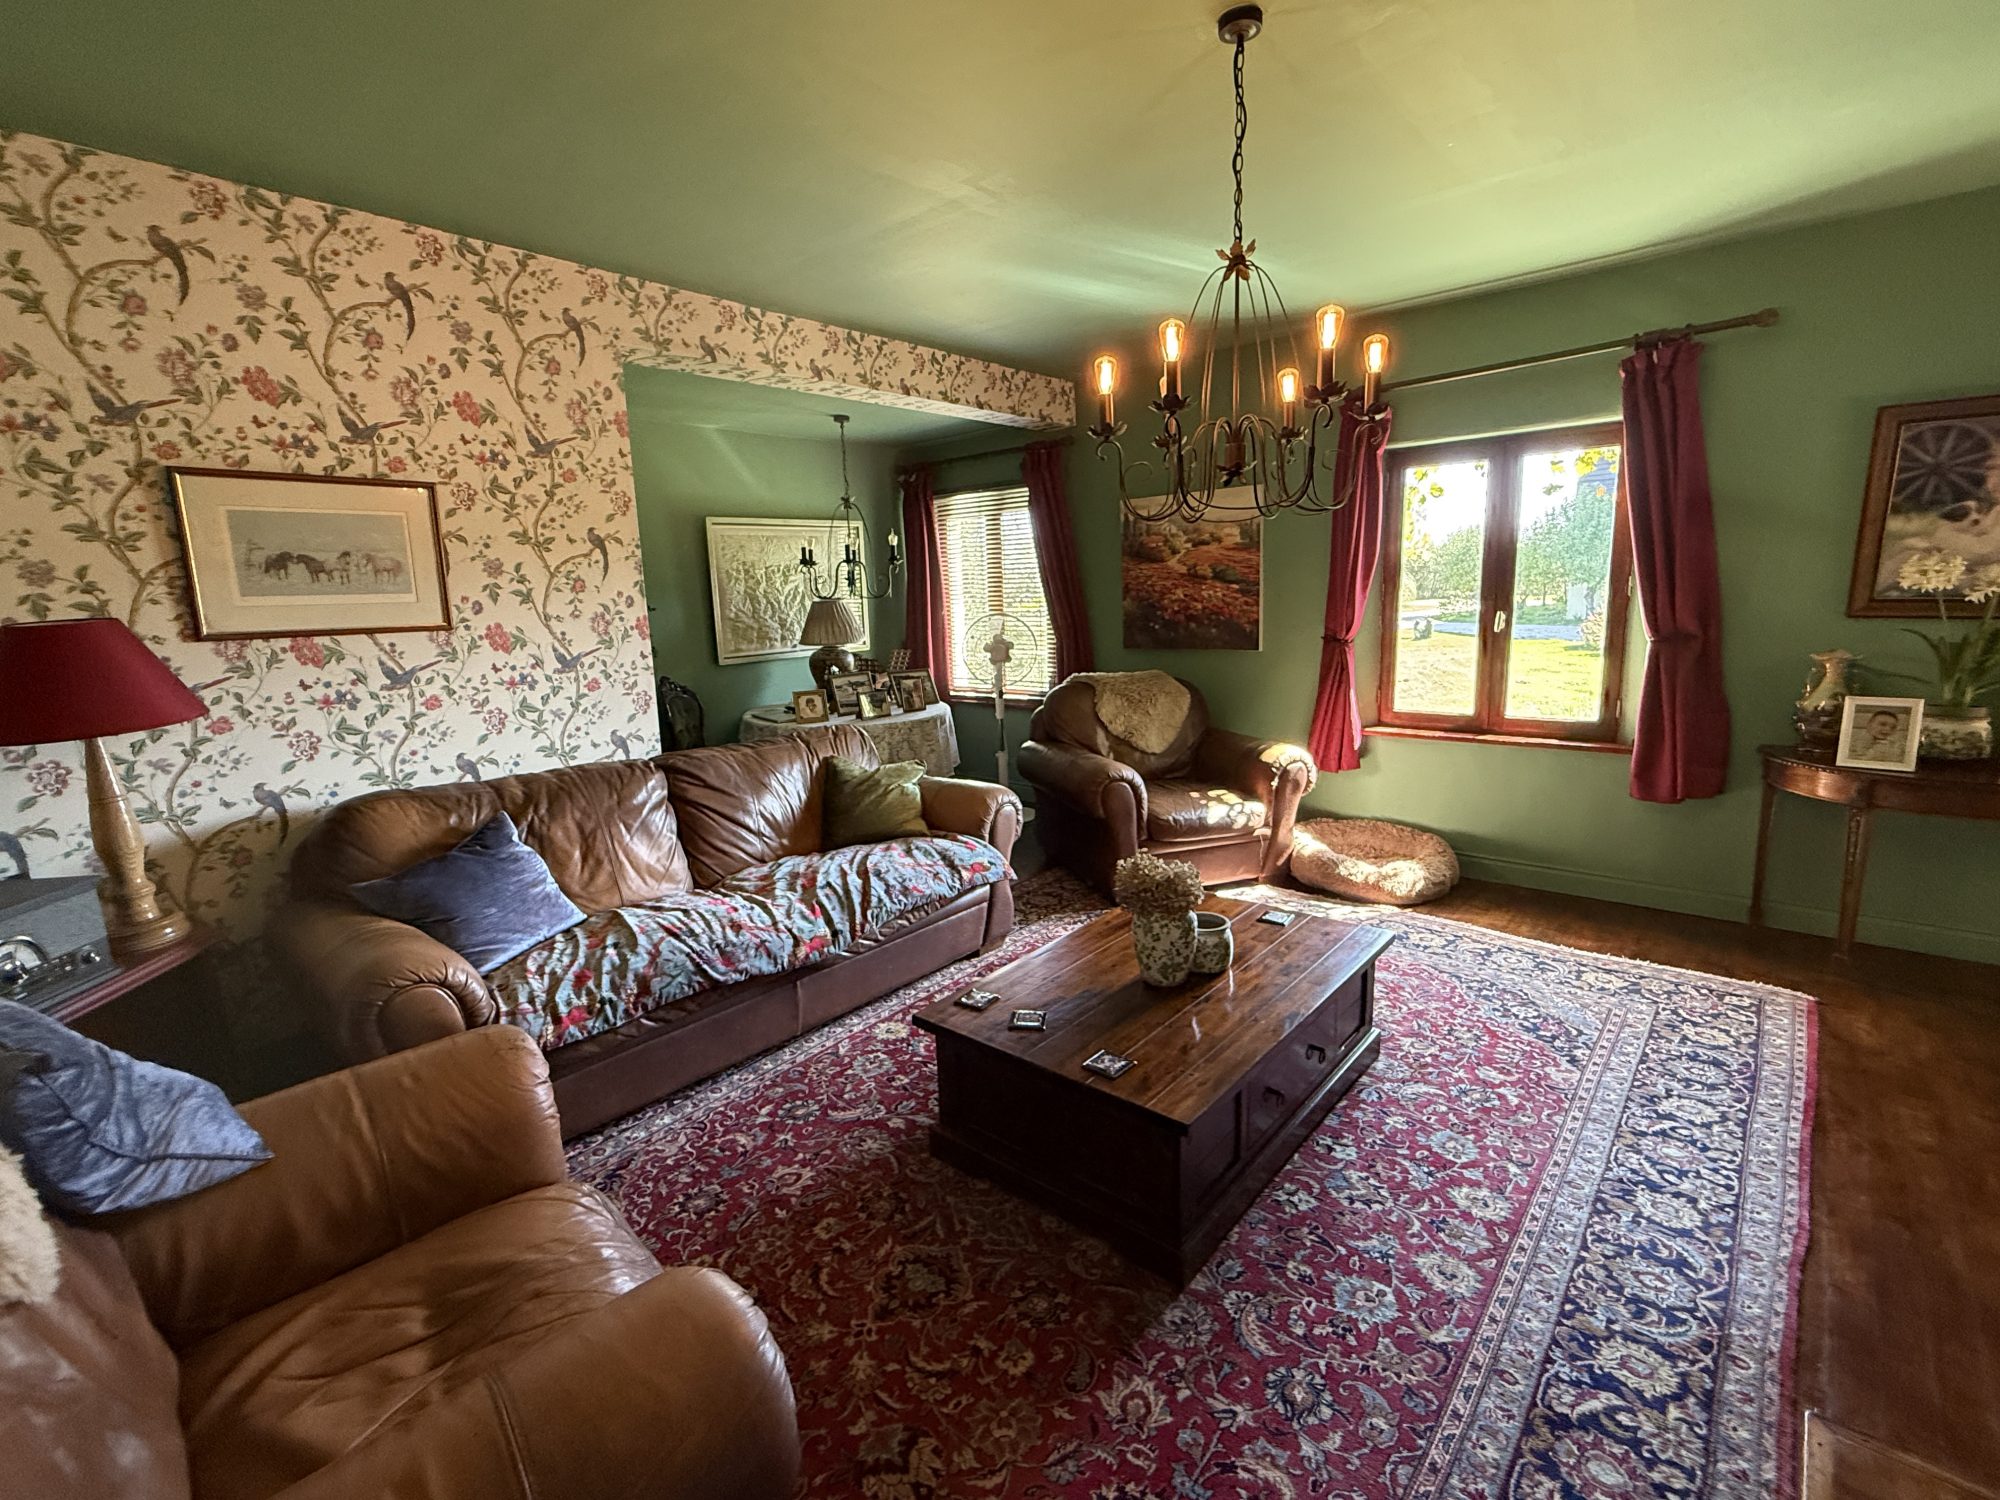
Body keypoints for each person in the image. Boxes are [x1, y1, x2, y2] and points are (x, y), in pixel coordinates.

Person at [1846, 707, 1910, 765]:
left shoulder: (1899, 748)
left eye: (1893, 727)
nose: (1887, 729)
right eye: (1883, 724)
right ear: (1869, 725)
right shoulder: (1852, 744)